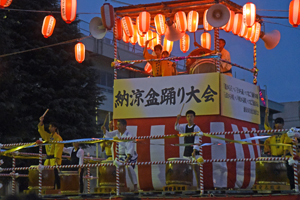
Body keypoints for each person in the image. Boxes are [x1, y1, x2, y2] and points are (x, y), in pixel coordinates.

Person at [101, 119, 138, 191]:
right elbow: (109, 135)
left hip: (129, 156)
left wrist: (127, 160)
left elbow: (130, 148)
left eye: (120, 125)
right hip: (120, 156)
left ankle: (135, 186)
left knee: (129, 167)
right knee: (115, 164)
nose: (118, 127)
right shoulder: (117, 133)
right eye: (117, 125)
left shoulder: (129, 135)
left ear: (124, 126)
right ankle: (118, 187)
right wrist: (104, 130)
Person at [175, 110, 201, 189]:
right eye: (188, 116)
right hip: (186, 150)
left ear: (194, 117)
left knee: (196, 169)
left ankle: (199, 186)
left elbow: (197, 139)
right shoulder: (184, 127)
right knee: (187, 170)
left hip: (194, 151)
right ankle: (189, 186)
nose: (190, 118)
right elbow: (177, 128)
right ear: (186, 118)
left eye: (191, 116)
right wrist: (178, 119)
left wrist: (194, 150)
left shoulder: (196, 128)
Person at [38, 116, 64, 190]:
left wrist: (57, 158)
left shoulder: (58, 138)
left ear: (55, 128)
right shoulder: (48, 137)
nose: (49, 128)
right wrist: (41, 122)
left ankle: (58, 190)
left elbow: (58, 148)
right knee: (48, 176)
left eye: (51, 127)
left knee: (56, 176)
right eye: (49, 127)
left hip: (54, 160)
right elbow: (41, 132)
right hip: (48, 159)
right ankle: (50, 190)